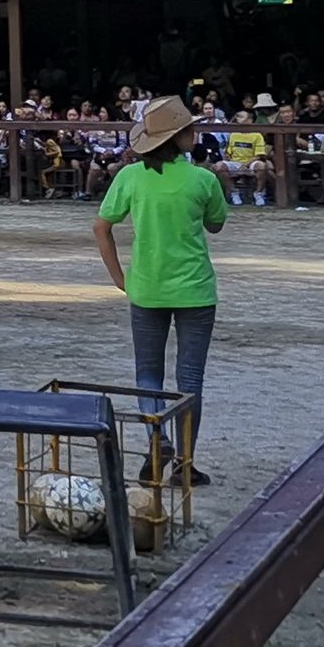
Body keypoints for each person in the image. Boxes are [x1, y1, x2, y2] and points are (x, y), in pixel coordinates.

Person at [94, 94, 227, 485]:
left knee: (148, 374)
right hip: (196, 290)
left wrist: (119, 278)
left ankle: (156, 439)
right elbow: (216, 225)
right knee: (190, 379)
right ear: (182, 137)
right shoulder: (203, 179)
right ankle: (186, 464)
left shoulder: (130, 177)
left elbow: (101, 226)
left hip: (147, 287)